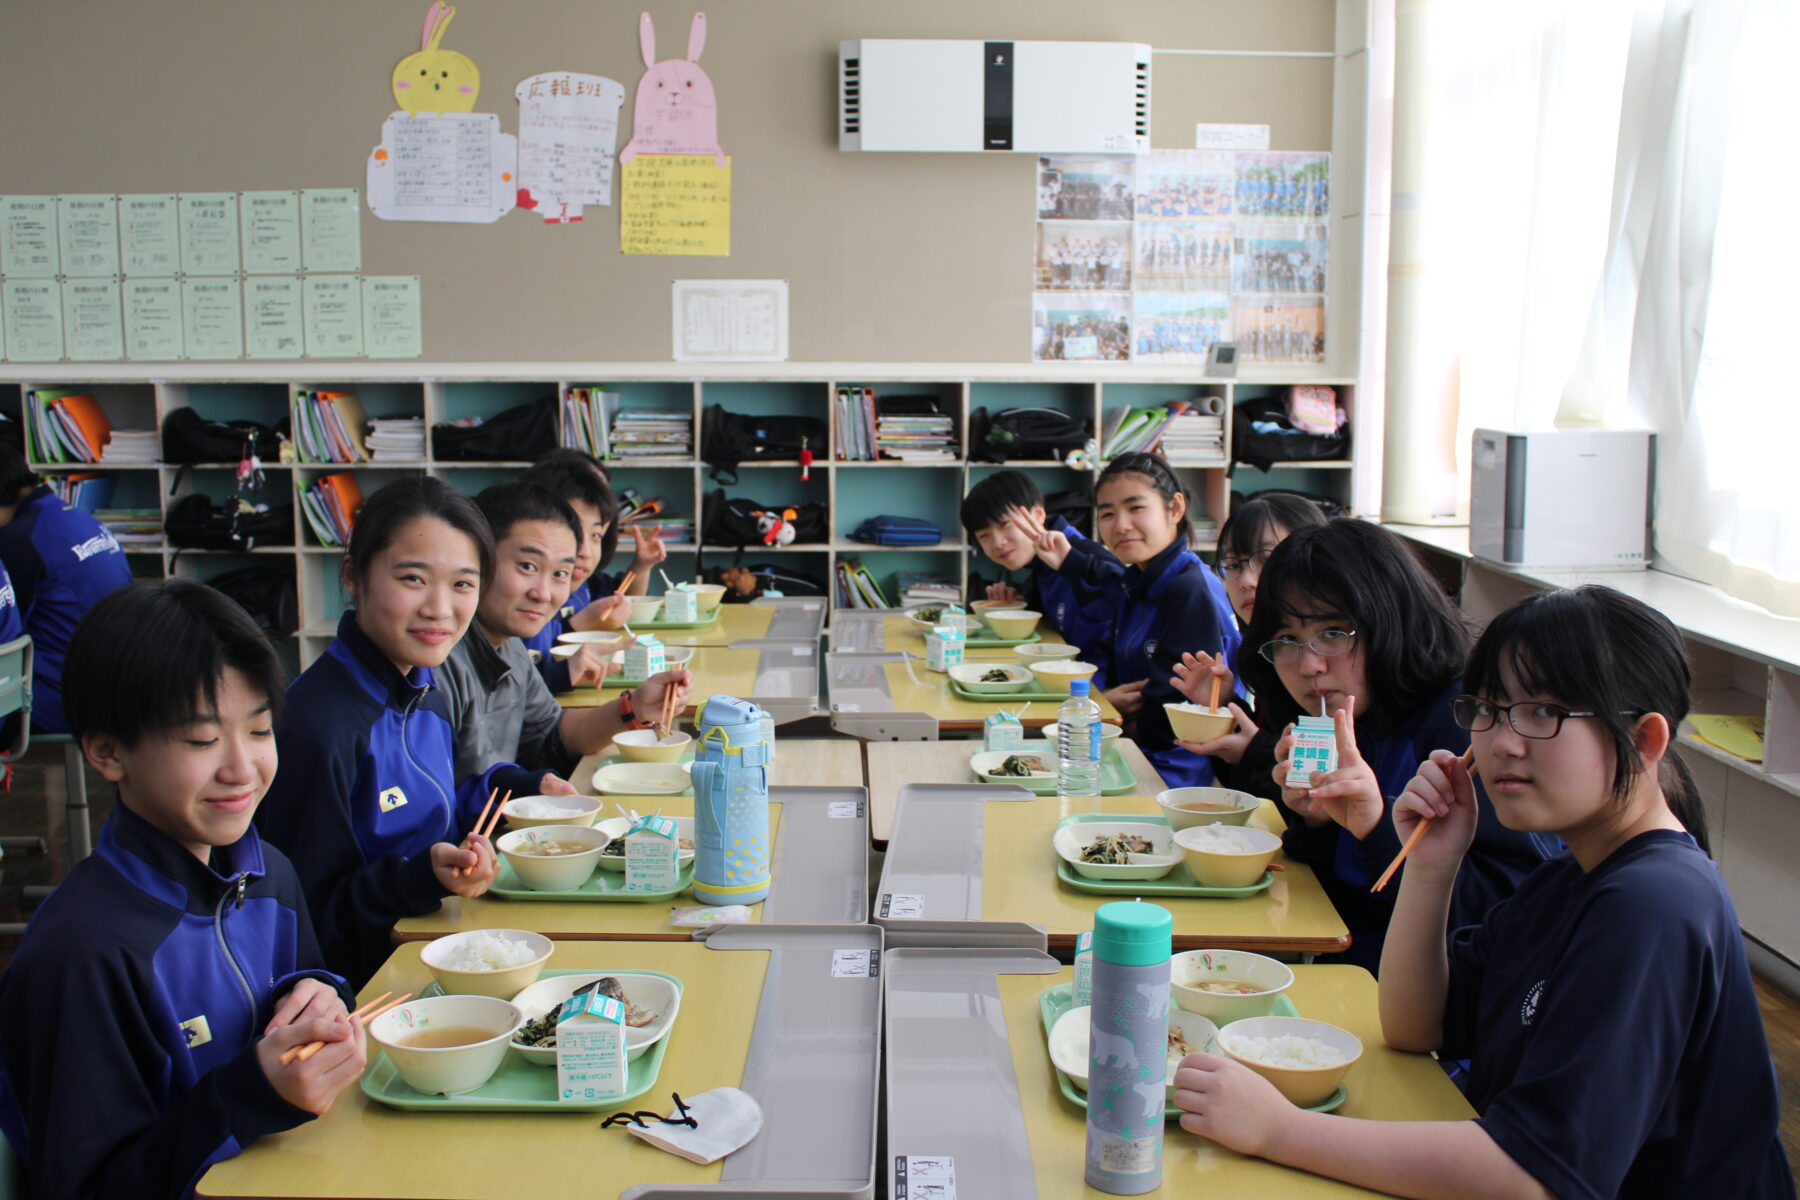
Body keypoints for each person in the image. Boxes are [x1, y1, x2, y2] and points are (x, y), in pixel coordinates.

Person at [1173, 586, 1794, 1200]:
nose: (1503, 741)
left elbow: (1531, 1175)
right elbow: (1417, 1025)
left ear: (1645, 741)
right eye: (1490, 711)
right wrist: (1430, 866)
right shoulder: (1571, 873)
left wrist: (1280, 1130)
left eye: (1544, 712)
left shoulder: (1654, 904)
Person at [0, 580, 365, 1199]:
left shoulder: (268, 873)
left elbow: (306, 988)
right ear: (107, 752)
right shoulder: (83, 953)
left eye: (259, 731)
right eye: (201, 741)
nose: (241, 769)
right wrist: (251, 1096)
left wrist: (324, 996)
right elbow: (90, 1185)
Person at [1237, 519, 1557, 968]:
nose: (1308, 665)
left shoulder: (1471, 727)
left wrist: (1377, 827)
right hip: (1356, 974)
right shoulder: (1353, 717)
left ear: (1391, 619)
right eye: (1287, 640)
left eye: (1332, 633)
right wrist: (1318, 823)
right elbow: (1342, 901)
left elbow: (1508, 914)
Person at [255, 478, 525, 986]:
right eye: (413, 579)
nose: (440, 609)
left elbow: (439, 814)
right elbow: (306, 920)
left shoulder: (427, 691)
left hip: (440, 950)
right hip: (367, 993)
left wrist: (523, 789)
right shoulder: (319, 726)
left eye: (463, 584)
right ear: (354, 576)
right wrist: (417, 880)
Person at [435, 480, 693, 789]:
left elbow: (552, 734)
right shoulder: (436, 659)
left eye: (560, 574)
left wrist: (635, 707)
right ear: (478, 557)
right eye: (528, 566)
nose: (544, 593)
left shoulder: (509, 646)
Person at [1023, 453, 1239, 787]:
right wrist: (1067, 561)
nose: (1120, 525)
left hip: (1172, 767)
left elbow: (1172, 715)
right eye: (1107, 513)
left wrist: (1113, 721)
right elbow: (1103, 576)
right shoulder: (1140, 578)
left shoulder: (1189, 589)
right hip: (1132, 744)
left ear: (1175, 509)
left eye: (1136, 508)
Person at [1171, 492, 1328, 798]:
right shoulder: (1262, 652)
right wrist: (1227, 707)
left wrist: (1252, 751)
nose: (1246, 580)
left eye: (1267, 560)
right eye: (1233, 565)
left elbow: (1318, 789)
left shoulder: (1326, 658)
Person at [0, 445, 132, 731]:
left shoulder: (17, 539)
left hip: (58, 701)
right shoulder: (76, 517)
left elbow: (5, 632)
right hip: (116, 688)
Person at [958, 470, 1118, 681]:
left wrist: (1100, 694)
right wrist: (1018, 606)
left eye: (1005, 525)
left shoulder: (1085, 559)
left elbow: (1122, 622)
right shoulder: (1039, 566)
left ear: (1039, 515)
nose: (998, 543)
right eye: (984, 536)